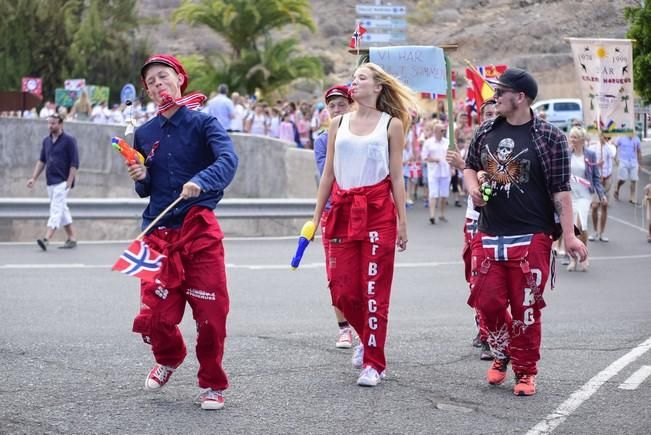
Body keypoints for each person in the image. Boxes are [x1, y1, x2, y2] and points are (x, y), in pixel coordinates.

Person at [464, 68, 587, 396]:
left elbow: (561, 192)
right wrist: (474, 186)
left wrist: (570, 236)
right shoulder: (486, 130)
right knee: (486, 302)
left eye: (500, 92)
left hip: (532, 235)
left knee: (526, 308)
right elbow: (468, 166)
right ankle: (502, 349)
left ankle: (525, 371)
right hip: (489, 231)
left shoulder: (550, 137)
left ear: (519, 97)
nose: (495, 97)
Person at [126, 54, 238, 410]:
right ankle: (169, 357)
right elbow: (145, 189)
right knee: (153, 315)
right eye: (151, 82)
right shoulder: (144, 133)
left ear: (180, 79)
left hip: (198, 230)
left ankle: (212, 383)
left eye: (164, 77)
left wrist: (200, 181)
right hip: (156, 231)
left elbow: (228, 161)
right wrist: (141, 178)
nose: (159, 85)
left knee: (211, 316)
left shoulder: (205, 124)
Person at [311, 62, 414, 387]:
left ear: (378, 87)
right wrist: (316, 219)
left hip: (378, 212)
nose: (354, 83)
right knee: (341, 291)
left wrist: (402, 222)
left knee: (373, 291)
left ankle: (374, 362)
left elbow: (397, 177)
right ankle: (365, 335)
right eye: (353, 79)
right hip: (341, 211)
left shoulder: (391, 124)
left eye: (361, 79)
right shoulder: (337, 123)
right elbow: (328, 173)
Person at [447, 98, 497, 361]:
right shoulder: (476, 142)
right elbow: (469, 181)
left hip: (499, 221)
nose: (491, 117)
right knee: (474, 277)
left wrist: (461, 165)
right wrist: (460, 165)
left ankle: (491, 336)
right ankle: (483, 326)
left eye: (495, 112)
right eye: (487, 113)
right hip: (473, 218)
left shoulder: (506, 143)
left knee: (488, 279)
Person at [313, 85, 354, 349]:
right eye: (332, 106)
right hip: (333, 213)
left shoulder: (367, 134)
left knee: (361, 275)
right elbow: (328, 176)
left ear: (352, 105)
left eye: (342, 104)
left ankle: (362, 326)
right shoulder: (321, 141)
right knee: (336, 276)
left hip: (363, 212)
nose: (337, 110)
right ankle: (344, 328)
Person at [27, 114, 79, 251]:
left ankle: (46, 238)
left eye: (53, 123)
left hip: (63, 181)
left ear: (61, 124)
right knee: (62, 209)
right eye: (49, 123)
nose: (50, 126)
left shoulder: (69, 140)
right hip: (50, 181)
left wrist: (69, 181)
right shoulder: (46, 141)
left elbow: (74, 163)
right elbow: (42, 160)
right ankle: (72, 237)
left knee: (56, 209)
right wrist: (34, 178)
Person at [566, 126, 605, 272]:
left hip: (584, 195)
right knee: (571, 228)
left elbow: (595, 177)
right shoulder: (566, 154)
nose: (572, 140)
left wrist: (601, 194)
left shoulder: (590, 155)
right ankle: (573, 259)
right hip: (569, 195)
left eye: (575, 137)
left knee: (581, 226)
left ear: (582, 140)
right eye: (571, 137)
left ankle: (584, 255)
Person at [588, 133, 616, 242]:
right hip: (596, 180)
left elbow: (612, 154)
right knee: (595, 206)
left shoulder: (610, 147)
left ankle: (602, 233)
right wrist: (596, 165)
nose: (602, 137)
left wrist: (605, 143)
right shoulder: (593, 147)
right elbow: (588, 163)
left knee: (604, 206)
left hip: (607, 179)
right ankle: (595, 231)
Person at [421, 121, 451, 224]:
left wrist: (453, 168)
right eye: (441, 130)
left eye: (444, 130)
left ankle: (442, 214)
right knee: (433, 194)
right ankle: (432, 215)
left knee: (444, 194)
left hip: (445, 172)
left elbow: (452, 155)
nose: (443, 132)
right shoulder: (428, 142)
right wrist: (433, 159)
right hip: (433, 172)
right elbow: (424, 157)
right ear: (435, 131)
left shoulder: (447, 142)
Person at [614, 133, 642, 203]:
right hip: (623, 161)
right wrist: (615, 158)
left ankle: (632, 197)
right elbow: (615, 147)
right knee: (623, 179)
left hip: (633, 162)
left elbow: (639, 151)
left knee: (634, 179)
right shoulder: (621, 137)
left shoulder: (637, 139)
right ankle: (617, 186)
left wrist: (640, 163)